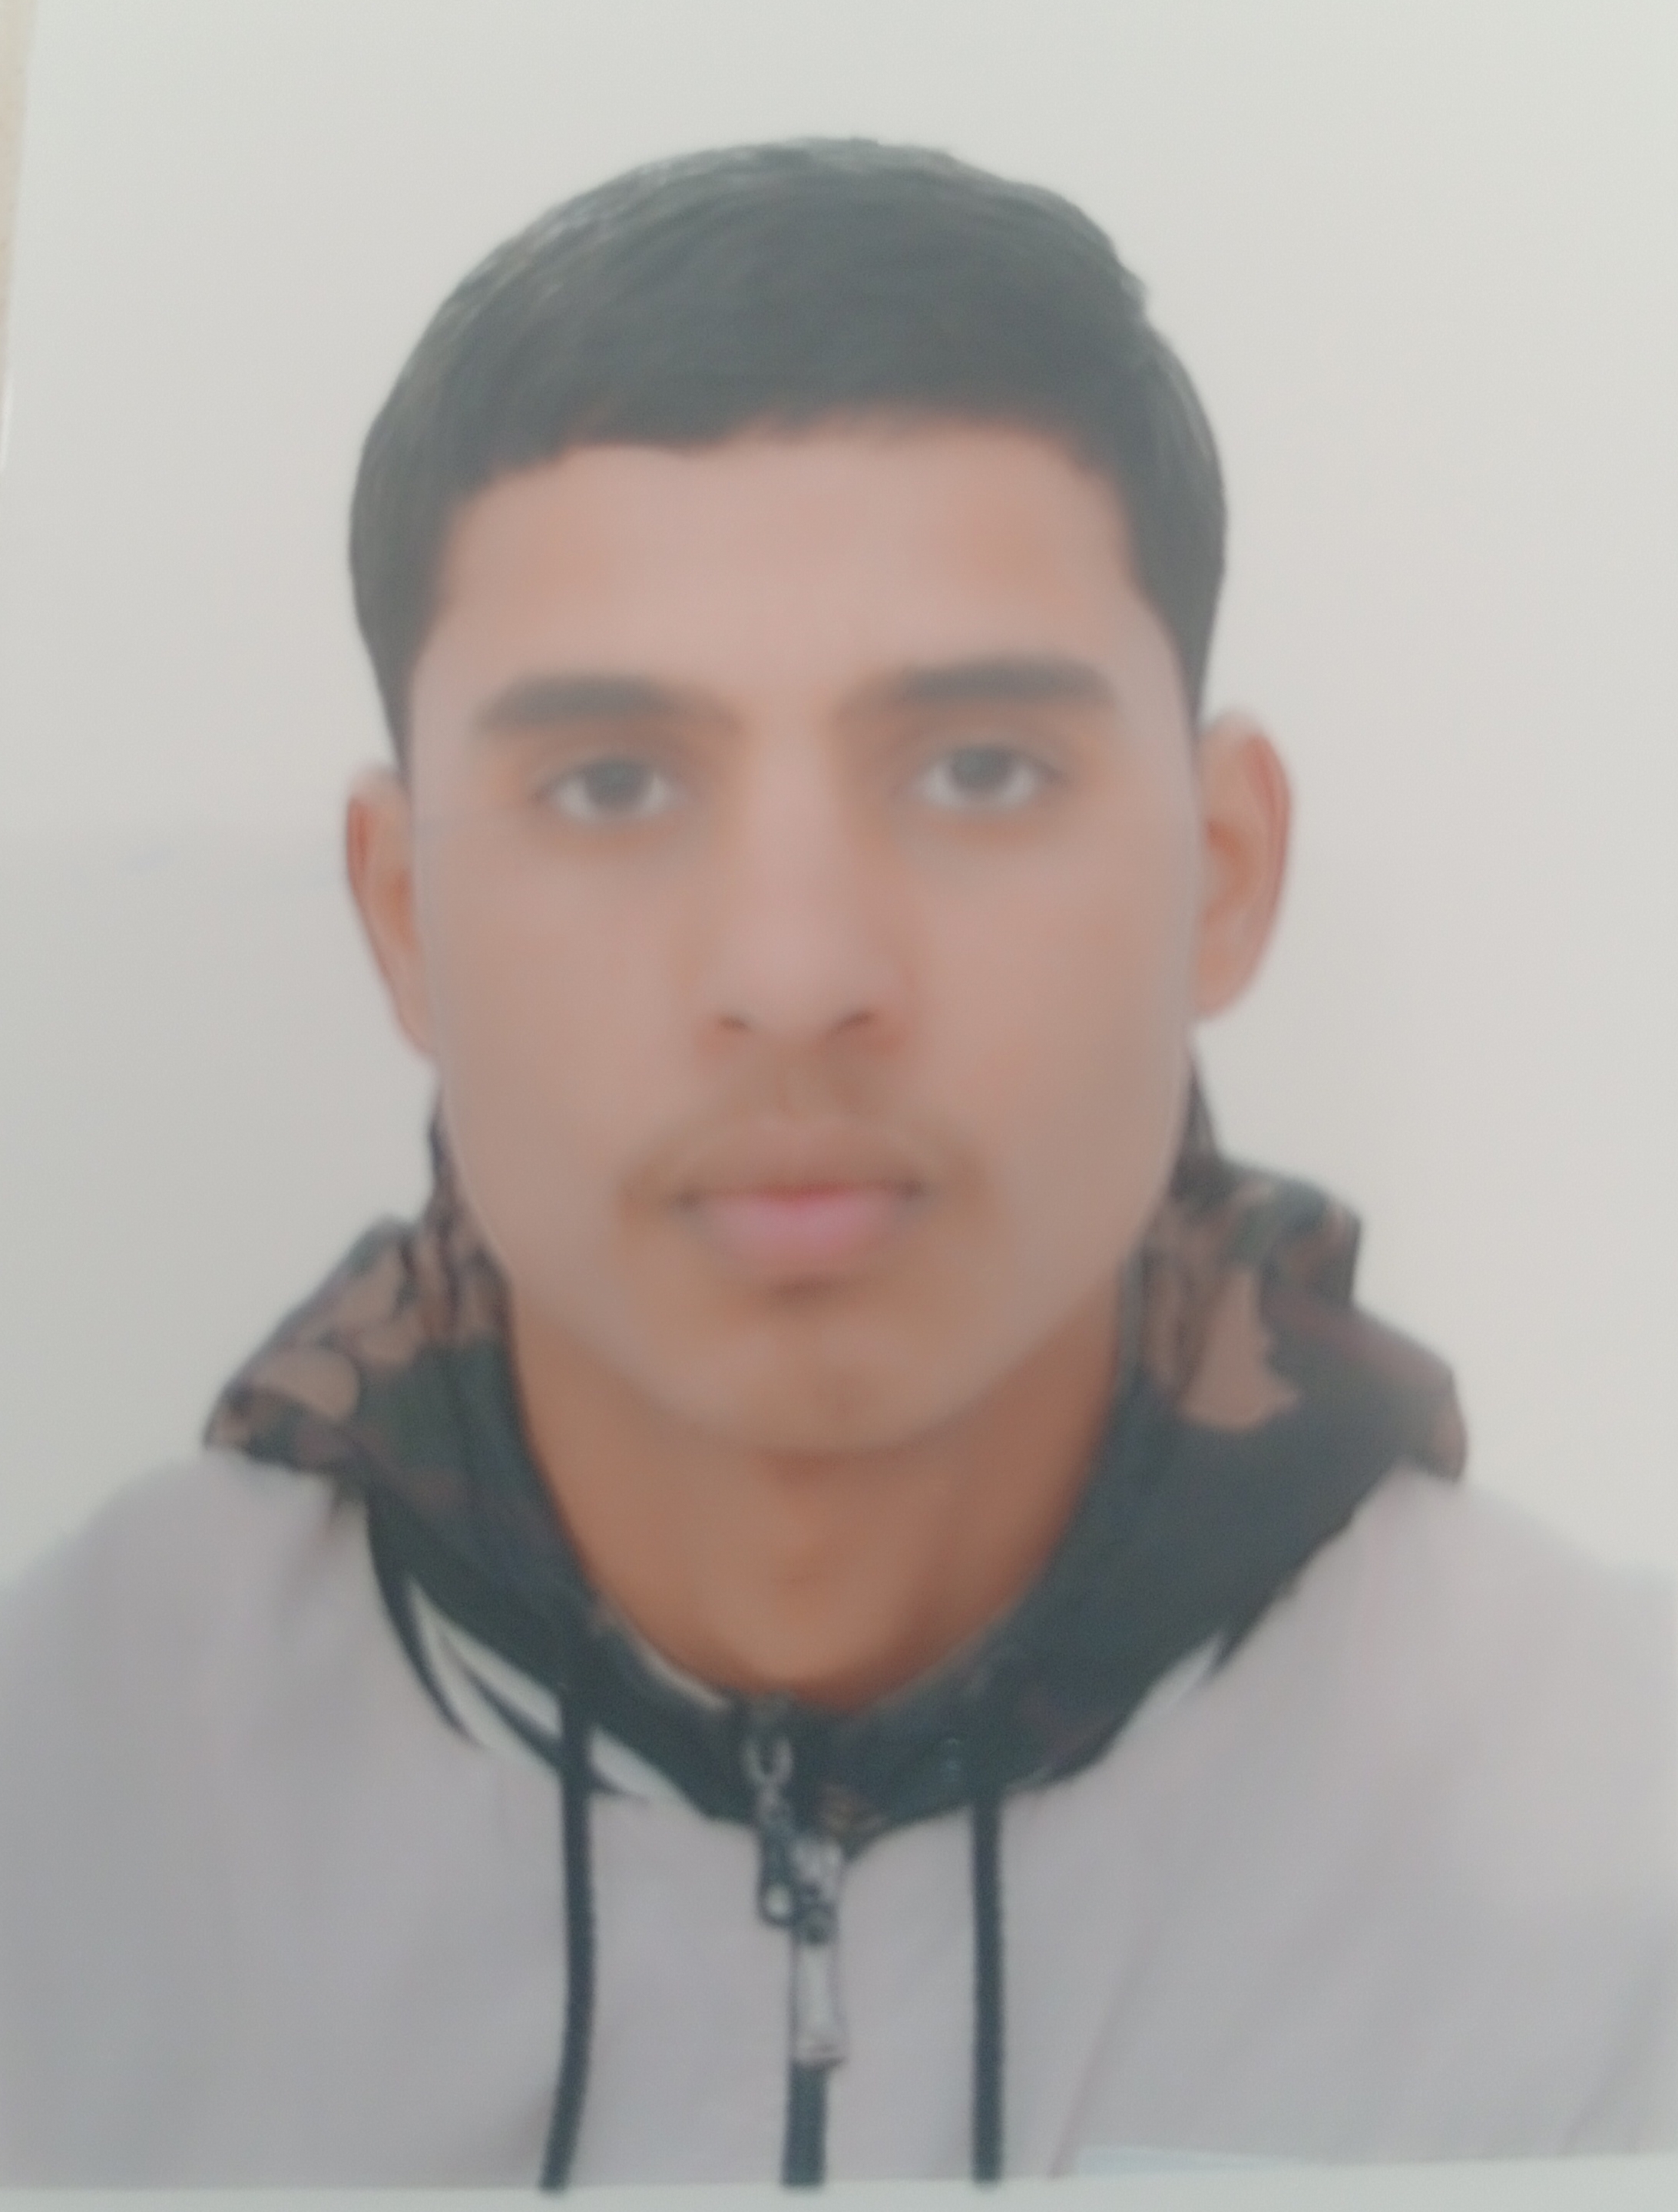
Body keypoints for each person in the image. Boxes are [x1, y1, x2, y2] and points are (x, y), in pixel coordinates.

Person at [0, 139, 1673, 2187]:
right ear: (403, 913)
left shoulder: (1613, 1852)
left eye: (979, 769)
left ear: (1224, 872)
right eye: (608, 785)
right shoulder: (61, 1812)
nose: (794, 975)